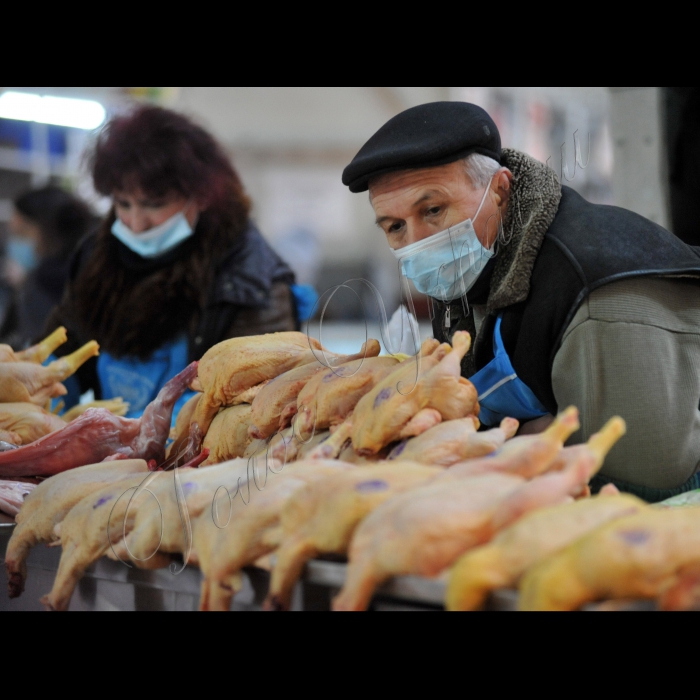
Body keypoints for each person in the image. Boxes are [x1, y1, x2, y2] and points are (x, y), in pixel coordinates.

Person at [342, 101, 700, 503]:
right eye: (395, 227)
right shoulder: (467, 268)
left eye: (434, 210)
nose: (417, 242)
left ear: (499, 190)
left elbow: (643, 475)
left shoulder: (595, 294)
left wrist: (506, 440)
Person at [49, 106, 301, 420]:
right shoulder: (96, 257)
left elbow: (256, 400)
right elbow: (63, 351)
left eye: (154, 205)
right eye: (123, 203)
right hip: (105, 457)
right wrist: (44, 401)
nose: (136, 223)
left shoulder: (248, 278)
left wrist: (160, 431)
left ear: (202, 195)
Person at [3, 187, 95, 348]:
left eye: (22, 233)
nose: (15, 243)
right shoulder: (87, 267)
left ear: (50, 231)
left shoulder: (44, 282)